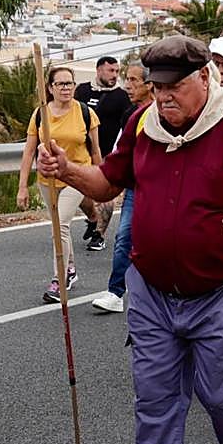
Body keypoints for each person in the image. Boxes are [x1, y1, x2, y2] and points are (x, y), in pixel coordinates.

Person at [36, 36, 223, 444]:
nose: (163, 97)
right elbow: (108, 183)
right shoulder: (141, 124)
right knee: (154, 394)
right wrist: (67, 171)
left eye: (174, 87)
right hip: (150, 287)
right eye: (156, 87)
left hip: (221, 287)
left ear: (204, 77)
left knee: (222, 395)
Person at [16, 65, 101, 302]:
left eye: (70, 83)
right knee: (59, 225)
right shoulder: (40, 114)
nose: (66, 88)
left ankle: (59, 279)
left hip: (77, 175)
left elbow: (95, 151)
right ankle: (70, 269)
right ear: (50, 88)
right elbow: (28, 152)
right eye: (61, 84)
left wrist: (100, 180)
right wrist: (23, 186)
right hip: (48, 179)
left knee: (60, 225)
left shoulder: (85, 113)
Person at [92, 62, 153, 314]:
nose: (128, 85)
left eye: (134, 80)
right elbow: (121, 150)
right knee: (124, 237)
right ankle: (115, 291)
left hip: (159, 189)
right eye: (127, 79)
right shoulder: (131, 114)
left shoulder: (165, 113)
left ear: (150, 85)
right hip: (134, 188)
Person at [74, 55, 132, 250]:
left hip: (107, 154)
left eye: (117, 71)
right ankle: (92, 218)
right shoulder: (81, 90)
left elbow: (128, 124)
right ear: (99, 70)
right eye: (111, 71)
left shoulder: (121, 97)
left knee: (105, 197)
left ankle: (99, 235)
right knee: (78, 191)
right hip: (81, 153)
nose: (115, 75)